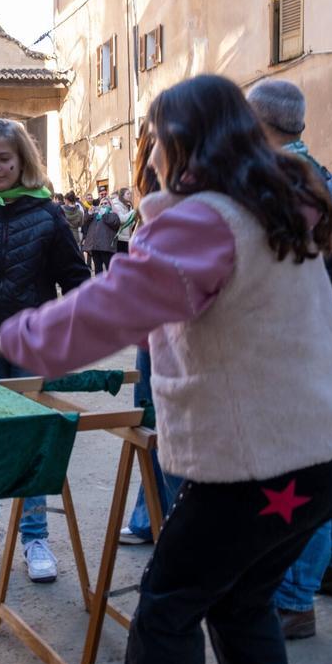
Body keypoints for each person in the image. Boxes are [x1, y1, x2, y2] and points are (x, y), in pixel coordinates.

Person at [0, 75, 332, 664]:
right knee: (239, 602)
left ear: (178, 142)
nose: (149, 153)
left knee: (166, 608)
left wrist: (17, 334)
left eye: (153, 139)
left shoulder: (204, 222)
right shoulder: (276, 204)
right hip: (330, 454)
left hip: (265, 466)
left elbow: (110, 307)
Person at [248, 78, 332, 639]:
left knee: (305, 471)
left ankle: (296, 599)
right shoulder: (324, 174)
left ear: (257, 124)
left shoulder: (279, 184)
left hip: (307, 349)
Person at [0, 117, 91, 583]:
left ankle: (34, 536)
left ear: (22, 159)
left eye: (4, 158)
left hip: (32, 347)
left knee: (30, 439)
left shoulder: (48, 215)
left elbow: (78, 282)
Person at [118, 122, 183, 547]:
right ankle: (149, 518)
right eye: (151, 141)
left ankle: (179, 527)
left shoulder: (198, 200)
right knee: (149, 426)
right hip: (151, 334)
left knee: (176, 431)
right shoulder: (148, 203)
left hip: (183, 338)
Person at [81, 191, 120, 273]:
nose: (103, 205)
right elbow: (85, 222)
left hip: (106, 247)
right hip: (95, 246)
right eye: (101, 204)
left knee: (109, 269)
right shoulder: (96, 215)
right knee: (98, 270)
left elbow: (114, 223)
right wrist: (89, 213)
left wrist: (104, 214)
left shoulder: (113, 214)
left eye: (105, 203)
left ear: (110, 205)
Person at [113, 187, 135, 254]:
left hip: (127, 237)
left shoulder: (128, 205)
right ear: (122, 196)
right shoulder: (117, 206)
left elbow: (130, 222)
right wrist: (133, 211)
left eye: (130, 194)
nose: (130, 196)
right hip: (120, 239)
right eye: (128, 194)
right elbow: (122, 219)